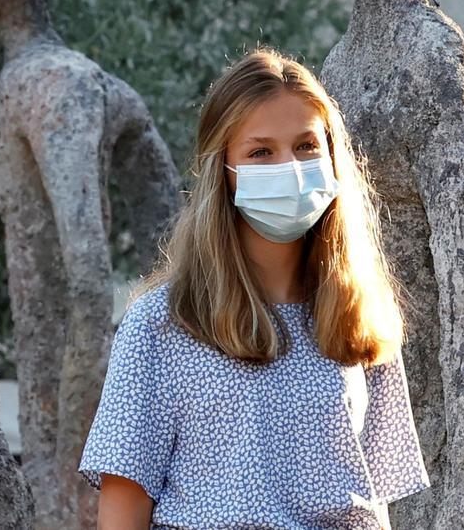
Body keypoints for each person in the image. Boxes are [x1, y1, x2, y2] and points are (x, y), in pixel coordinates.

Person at [78, 49, 429, 529]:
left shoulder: (361, 318)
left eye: (307, 145)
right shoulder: (160, 325)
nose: (290, 166)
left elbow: (373, 503)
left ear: (332, 157)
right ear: (223, 170)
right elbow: (123, 509)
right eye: (261, 151)